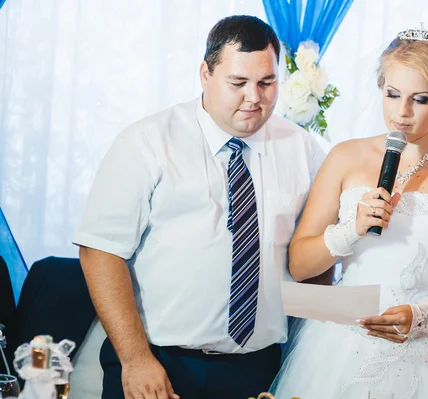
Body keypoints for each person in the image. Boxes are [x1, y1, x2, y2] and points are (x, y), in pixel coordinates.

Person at [270, 26, 428, 398]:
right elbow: (299, 265)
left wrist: (422, 315)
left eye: (420, 99)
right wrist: (351, 229)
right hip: (342, 340)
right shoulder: (345, 156)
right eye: (392, 94)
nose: (402, 112)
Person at [73, 15, 325, 399]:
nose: (254, 97)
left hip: (260, 369)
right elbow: (99, 252)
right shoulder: (147, 142)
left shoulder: (303, 149)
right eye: (238, 83)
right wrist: (136, 359)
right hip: (160, 364)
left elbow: (314, 257)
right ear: (205, 73)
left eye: (267, 82)